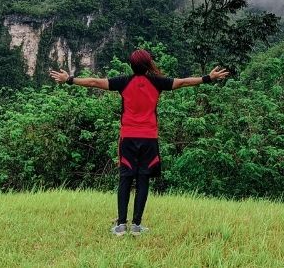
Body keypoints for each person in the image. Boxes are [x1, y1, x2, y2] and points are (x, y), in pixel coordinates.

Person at [49, 49, 229, 236]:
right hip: (149, 139)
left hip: (128, 138)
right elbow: (183, 82)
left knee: (125, 178)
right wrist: (208, 77)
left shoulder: (123, 82)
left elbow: (94, 82)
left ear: (131, 65)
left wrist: (69, 79)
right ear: (148, 63)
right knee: (143, 179)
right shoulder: (157, 82)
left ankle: (120, 226)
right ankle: (136, 226)